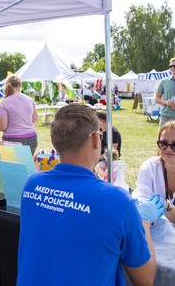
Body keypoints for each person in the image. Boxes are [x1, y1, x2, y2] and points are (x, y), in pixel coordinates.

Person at [17, 104, 164, 286]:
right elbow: (146, 279)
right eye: (101, 136)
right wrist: (143, 220)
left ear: (55, 143)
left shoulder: (32, 184)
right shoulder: (117, 201)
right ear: (96, 139)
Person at [0, 75, 38, 155]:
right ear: (20, 85)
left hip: (13, 139)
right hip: (32, 137)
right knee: (28, 166)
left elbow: (2, 127)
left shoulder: (4, 103)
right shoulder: (30, 100)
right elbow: (35, 120)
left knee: (14, 166)